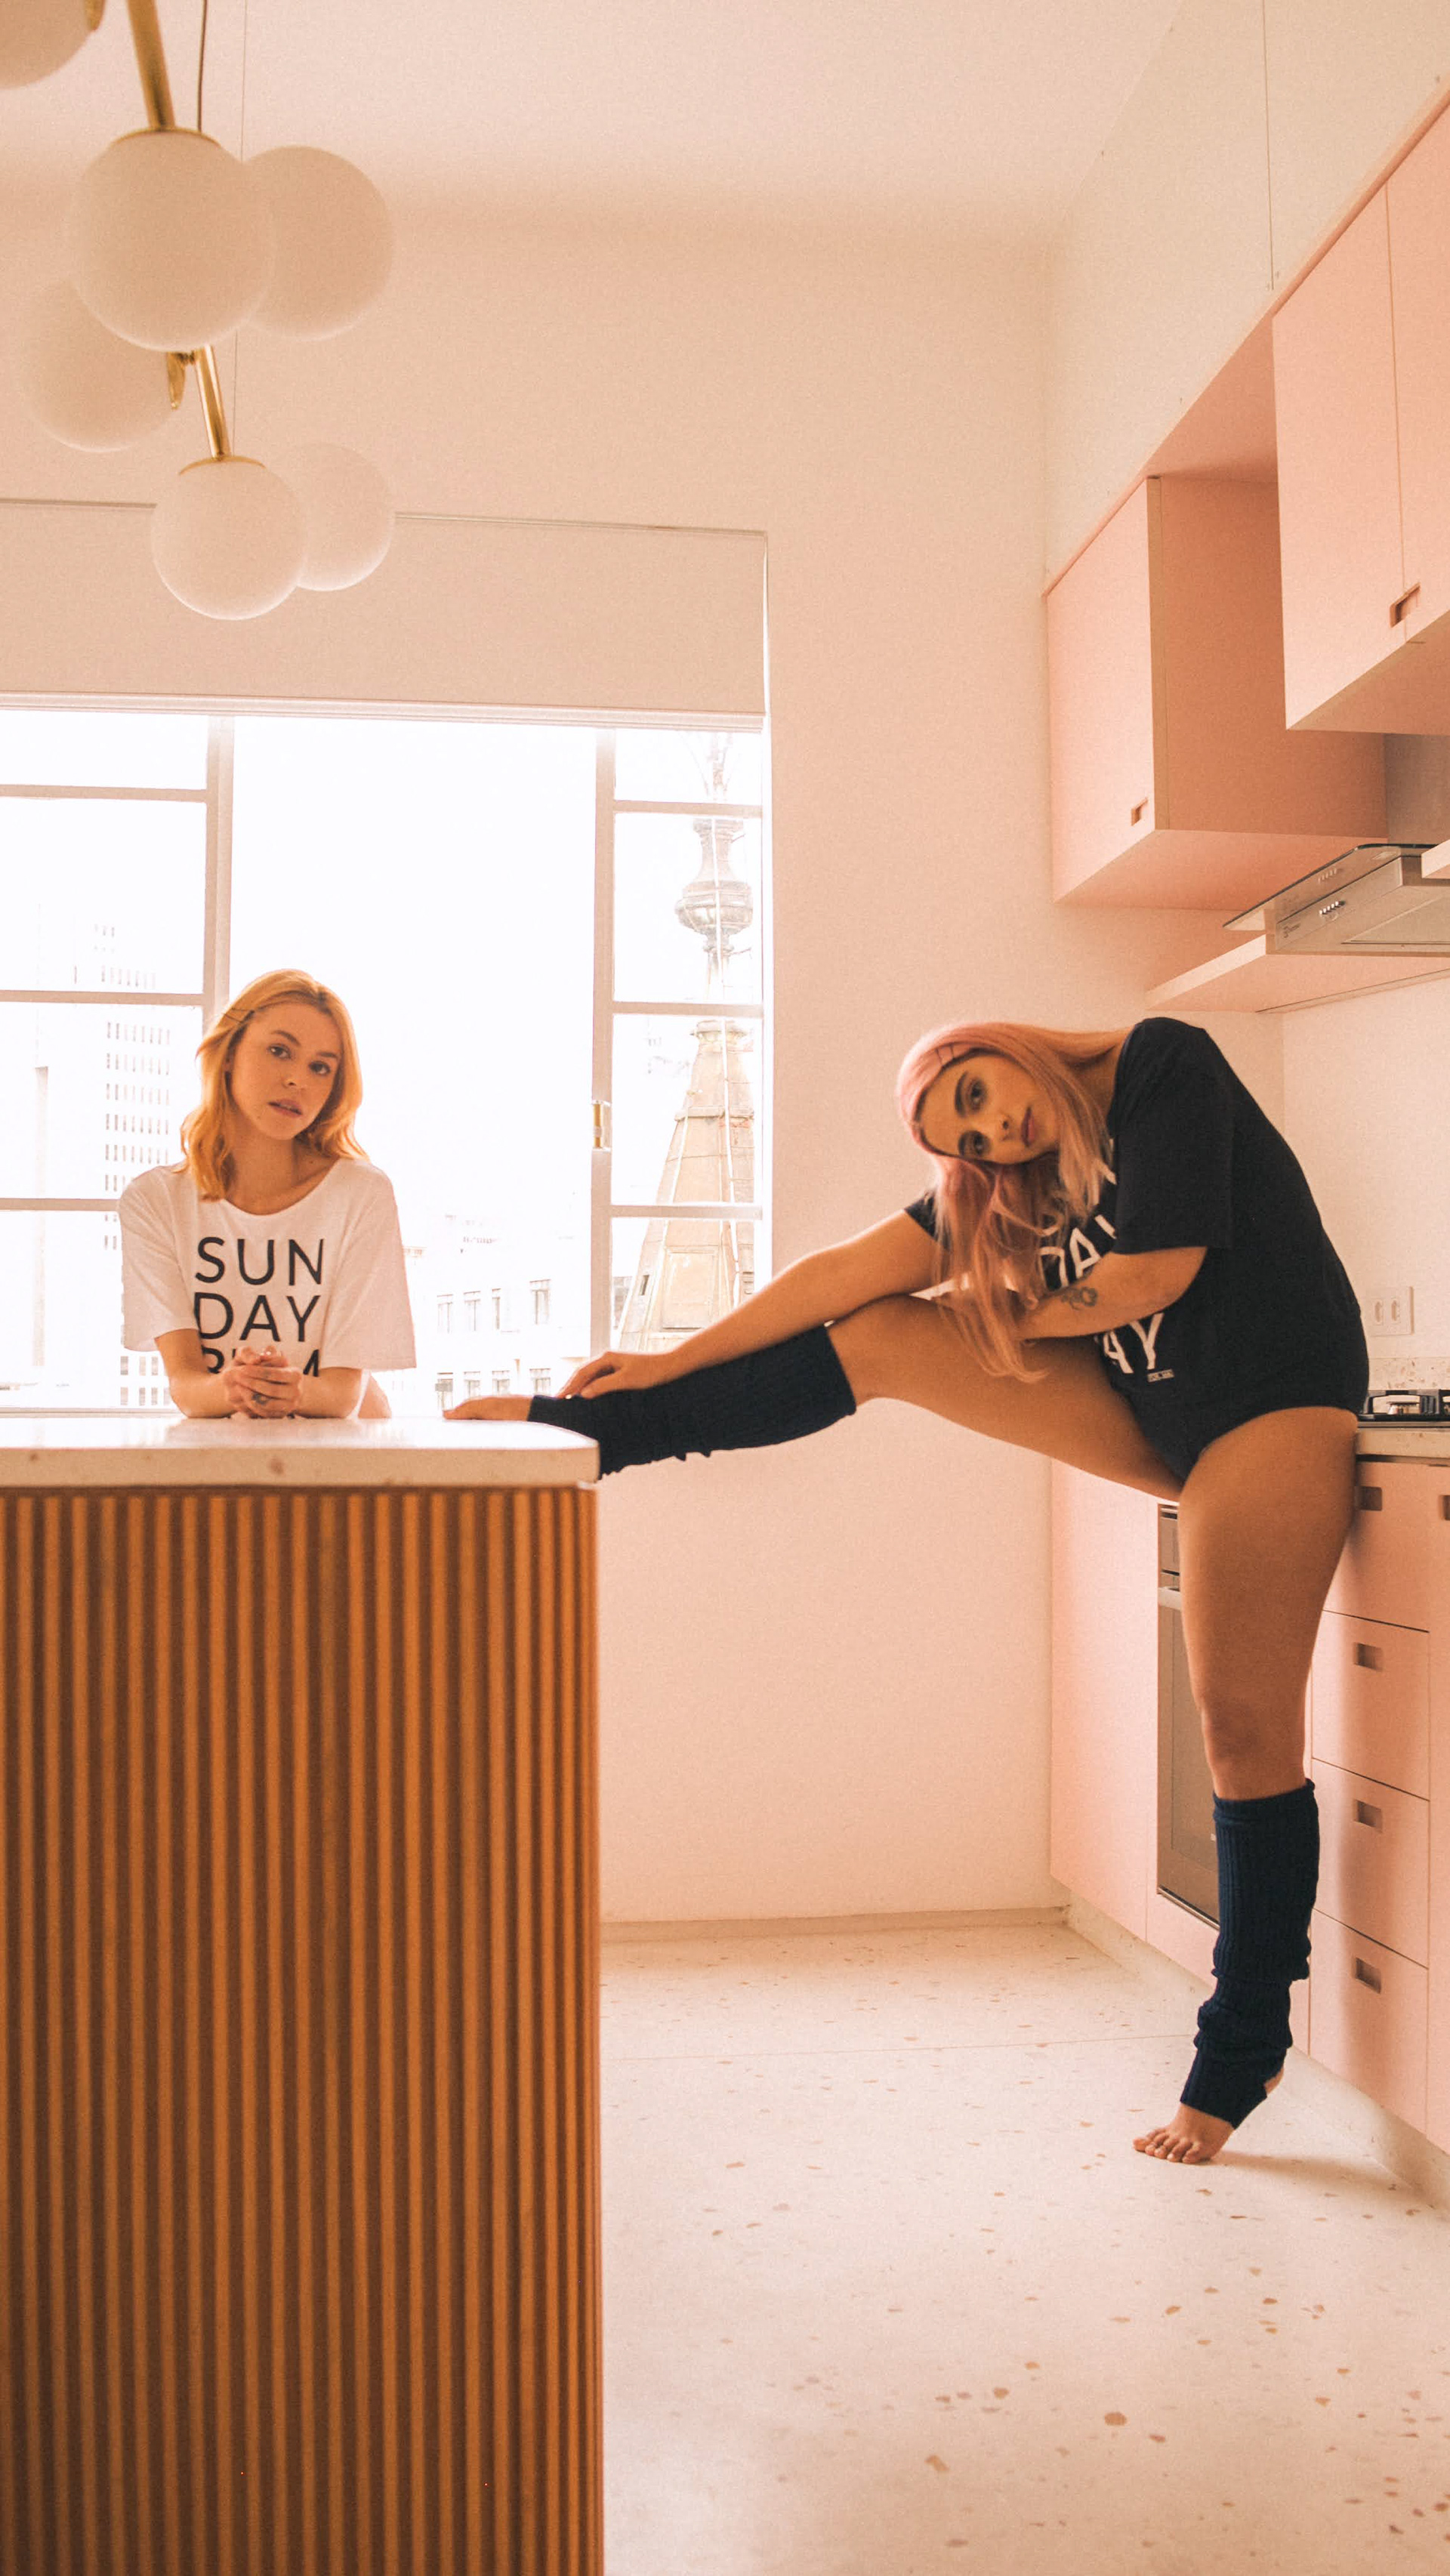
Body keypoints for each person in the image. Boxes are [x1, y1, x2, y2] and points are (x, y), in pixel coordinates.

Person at [449, 1014, 1368, 2168]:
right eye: (967, 1140)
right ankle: (602, 1433)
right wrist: (667, 1357)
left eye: (977, 1095)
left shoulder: (1158, 1065)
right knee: (883, 1329)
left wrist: (998, 1305)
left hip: (1273, 1399)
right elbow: (838, 1275)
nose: (994, 1134)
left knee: (1240, 1728)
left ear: (1003, 1045)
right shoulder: (1016, 1185)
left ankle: (1245, 2039)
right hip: (1160, 1407)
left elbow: (1153, 1274)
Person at [121, 967, 416, 1419]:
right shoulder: (155, 1200)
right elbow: (186, 1386)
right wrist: (233, 1386)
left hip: (346, 1451)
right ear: (229, 1054)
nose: (298, 1080)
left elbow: (342, 1395)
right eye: (280, 1051)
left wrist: (291, 1390)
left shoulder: (361, 1194)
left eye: (320, 1067)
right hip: (228, 1449)